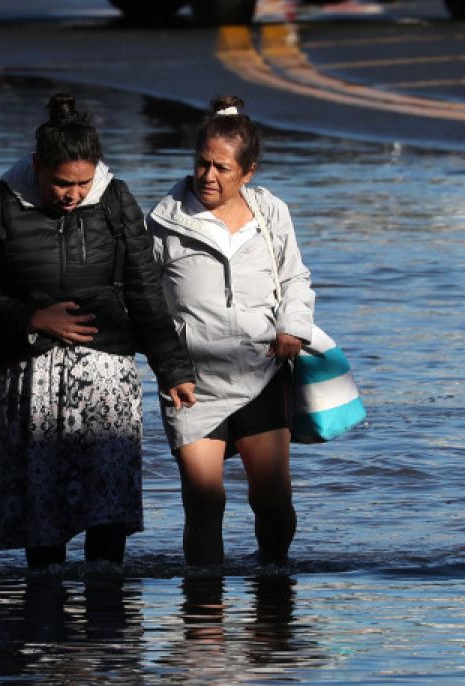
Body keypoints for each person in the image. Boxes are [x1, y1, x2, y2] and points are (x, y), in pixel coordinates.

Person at [0, 93, 196, 569]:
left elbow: (145, 289)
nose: (73, 194)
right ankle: (42, 622)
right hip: (29, 379)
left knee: (107, 511)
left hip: (106, 375)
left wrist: (172, 367)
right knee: (41, 517)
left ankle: (106, 623)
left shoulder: (116, 201)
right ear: (37, 166)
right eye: (61, 184)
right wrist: (32, 317)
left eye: (83, 183)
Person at [147, 95, 315, 567]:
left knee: (272, 501)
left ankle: (274, 585)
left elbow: (295, 279)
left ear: (248, 171)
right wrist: (167, 363)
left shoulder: (272, 214)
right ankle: (204, 613)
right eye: (202, 164)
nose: (208, 176)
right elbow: (144, 303)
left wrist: (292, 328)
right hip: (190, 384)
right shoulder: (163, 221)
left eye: (222, 168)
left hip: (260, 373)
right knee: (203, 501)